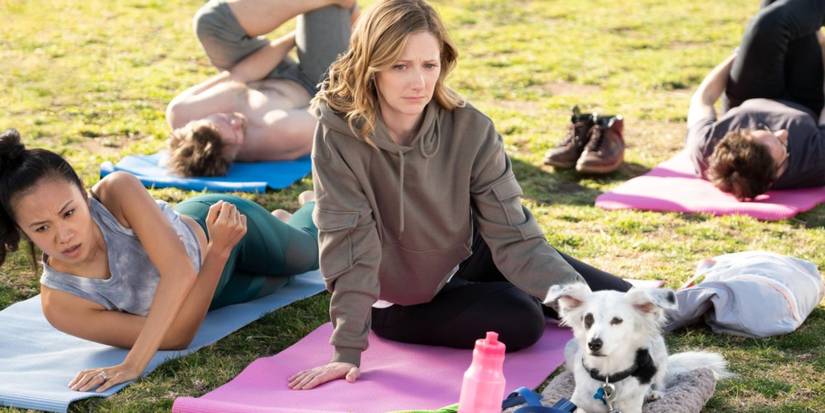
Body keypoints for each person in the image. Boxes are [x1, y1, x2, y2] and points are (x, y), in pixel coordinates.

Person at [287, 0, 632, 390]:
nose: (418, 82)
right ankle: (524, 294)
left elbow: (514, 237)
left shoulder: (470, 128)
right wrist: (347, 349)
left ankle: (638, 301)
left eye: (428, 65)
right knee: (522, 319)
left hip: (467, 250)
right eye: (400, 66)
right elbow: (351, 245)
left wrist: (586, 309)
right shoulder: (339, 134)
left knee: (622, 302)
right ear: (371, 66)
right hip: (403, 295)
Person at [0, 128, 319, 392]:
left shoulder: (117, 192)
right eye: (42, 228)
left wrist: (133, 364)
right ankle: (281, 222)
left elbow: (179, 273)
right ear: (20, 231)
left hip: (221, 231)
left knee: (310, 255)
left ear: (83, 194)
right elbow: (175, 336)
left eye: (69, 212)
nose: (64, 235)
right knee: (283, 281)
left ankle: (312, 203)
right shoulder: (60, 304)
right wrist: (217, 253)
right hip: (214, 280)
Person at [164, 0, 356, 176]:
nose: (236, 120)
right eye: (237, 131)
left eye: (225, 118)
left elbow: (241, 74)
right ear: (232, 156)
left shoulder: (182, 111)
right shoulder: (280, 134)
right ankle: (360, 22)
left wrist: (295, 37)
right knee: (325, 9)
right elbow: (342, 108)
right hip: (321, 81)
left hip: (266, 71)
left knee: (210, 24)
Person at [686, 0, 825, 200]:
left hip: (750, 95)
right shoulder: (816, 162)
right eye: (783, 146)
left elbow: (704, 98)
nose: (783, 132)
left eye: (763, 129)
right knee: (780, 21)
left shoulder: (706, 147)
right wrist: (821, 49)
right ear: (776, 174)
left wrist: (740, 54)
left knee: (769, 16)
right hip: (806, 100)